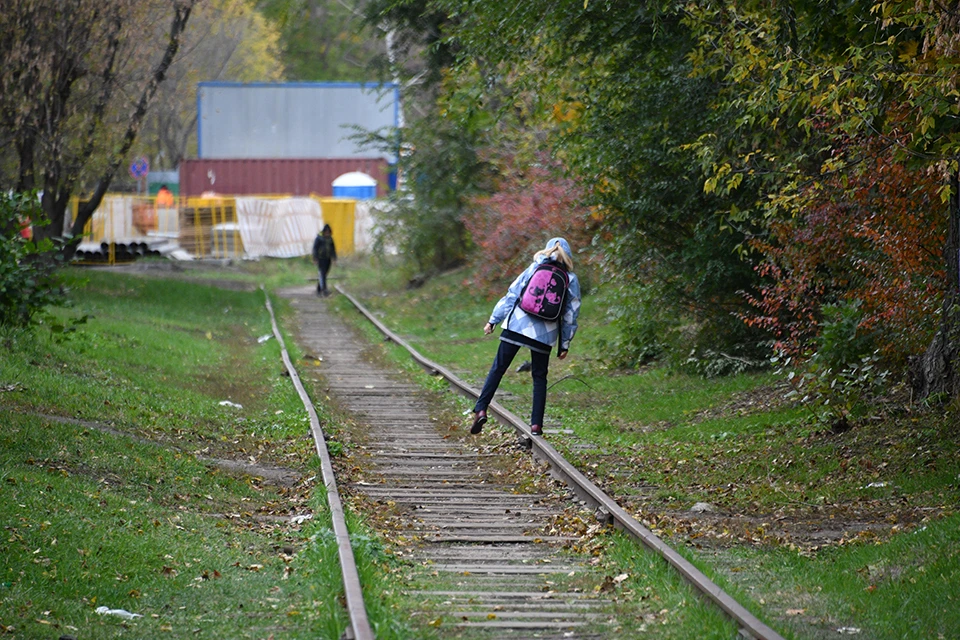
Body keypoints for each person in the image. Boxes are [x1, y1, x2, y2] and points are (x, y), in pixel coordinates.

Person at [470, 237, 581, 437]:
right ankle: (536, 426)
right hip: (544, 335)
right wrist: (564, 344)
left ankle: (481, 409)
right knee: (539, 378)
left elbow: (512, 294)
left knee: (498, 369)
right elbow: (570, 314)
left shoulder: (534, 268)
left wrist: (493, 320)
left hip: (517, 325)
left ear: (547, 250)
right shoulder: (570, 279)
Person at [312, 224, 337, 296]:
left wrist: (334, 258)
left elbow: (333, 250)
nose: (327, 233)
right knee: (322, 273)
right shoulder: (319, 239)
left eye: (328, 232)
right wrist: (315, 258)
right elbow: (315, 249)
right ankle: (324, 289)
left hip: (328, 259)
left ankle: (319, 288)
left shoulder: (330, 239)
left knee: (325, 274)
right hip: (321, 259)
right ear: (323, 232)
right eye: (326, 232)